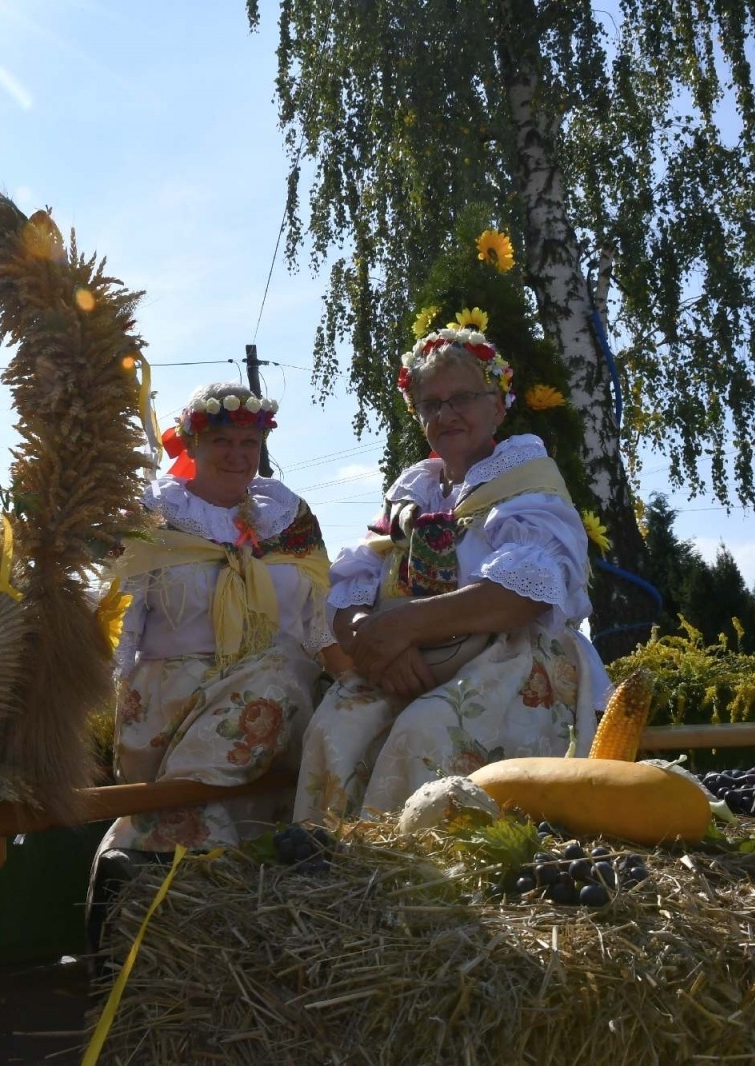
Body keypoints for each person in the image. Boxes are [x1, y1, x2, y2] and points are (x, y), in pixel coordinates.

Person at [294, 321, 609, 824]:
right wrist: (372, 640)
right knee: (334, 729)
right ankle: (338, 875)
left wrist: (404, 626)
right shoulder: (413, 493)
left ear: (498, 405)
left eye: (461, 397)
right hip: (408, 657)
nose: (446, 414)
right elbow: (354, 580)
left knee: (428, 730)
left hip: (509, 654)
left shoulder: (525, 482)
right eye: (430, 404)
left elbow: (522, 595)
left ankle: (428, 878)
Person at [88, 383, 333, 950]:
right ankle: (159, 903)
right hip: (166, 708)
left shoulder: (287, 517)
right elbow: (120, 626)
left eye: (250, 442)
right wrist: (88, 709)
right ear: (191, 445)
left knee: (276, 679)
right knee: (267, 690)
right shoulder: (154, 516)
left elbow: (317, 622)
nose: (237, 455)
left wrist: (354, 682)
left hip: (267, 699)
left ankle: (195, 913)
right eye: (222, 440)